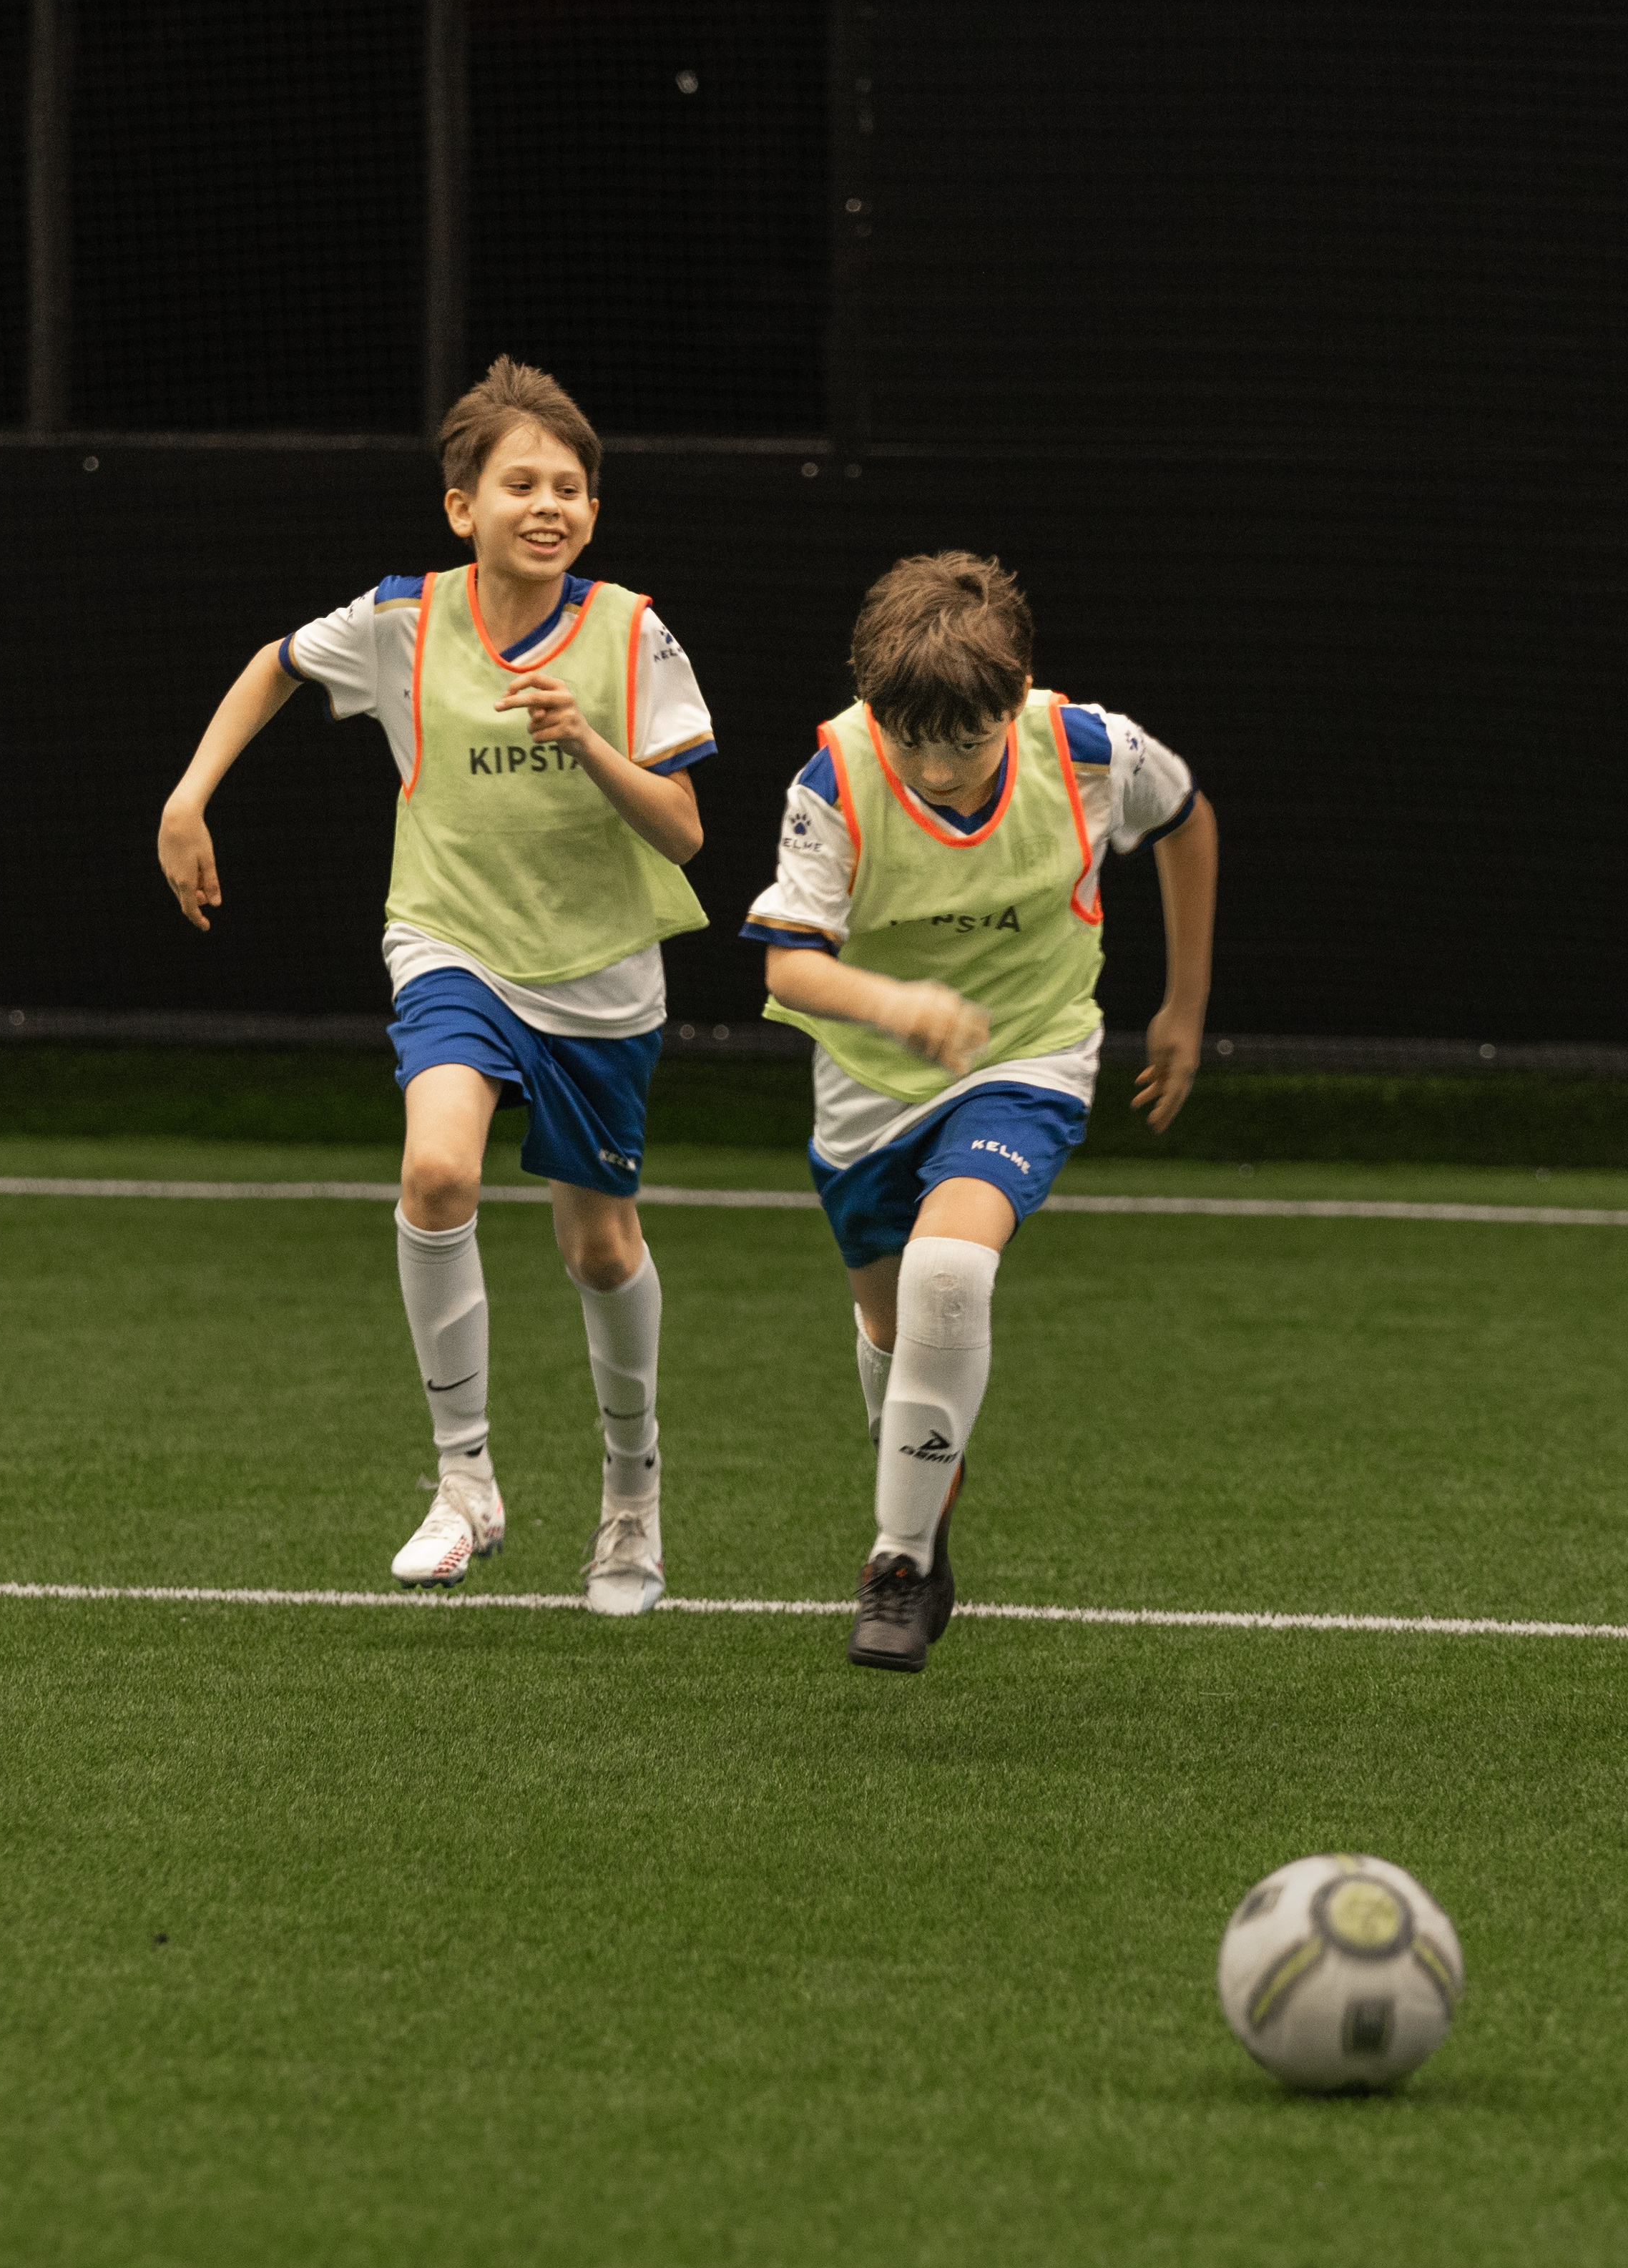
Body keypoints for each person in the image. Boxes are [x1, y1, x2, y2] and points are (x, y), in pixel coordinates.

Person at [157, 357, 715, 1613]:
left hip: (600, 977)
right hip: (451, 942)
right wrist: (190, 799)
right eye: (521, 482)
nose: (549, 504)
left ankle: (632, 1495)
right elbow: (276, 664)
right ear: (463, 504)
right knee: (438, 1171)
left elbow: (684, 831)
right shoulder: (404, 619)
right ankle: (465, 1484)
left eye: (571, 487)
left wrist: (588, 740)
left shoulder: (632, 632)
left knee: (601, 1245)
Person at [743, 551, 1217, 1671]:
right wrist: (896, 1002)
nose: (942, 767)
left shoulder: (1090, 750)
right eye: (915, 739)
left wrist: (1183, 1006)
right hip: (867, 1092)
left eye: (968, 740)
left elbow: (1189, 820)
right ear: (875, 710)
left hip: (1030, 1057)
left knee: (948, 1274)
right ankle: (930, 1513)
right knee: (892, 1331)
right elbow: (787, 972)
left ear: (1018, 697)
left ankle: (896, 1562)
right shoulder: (836, 779)